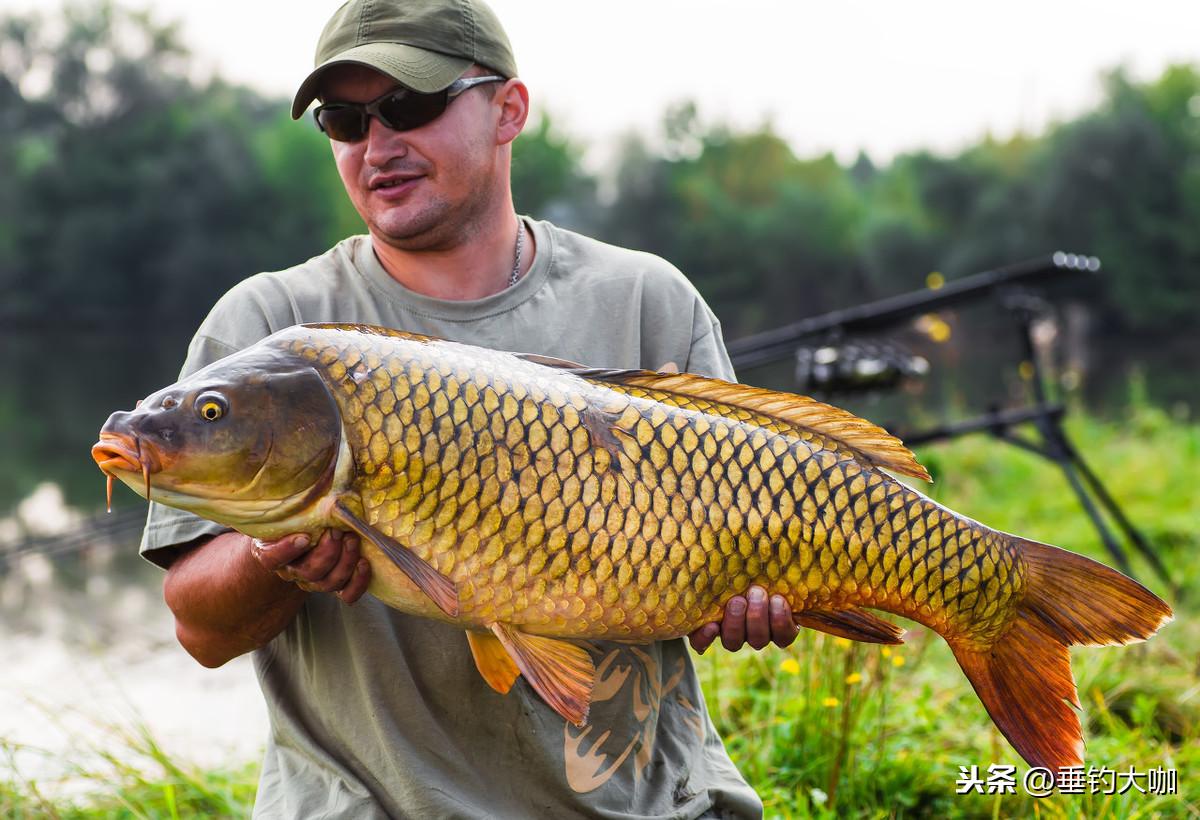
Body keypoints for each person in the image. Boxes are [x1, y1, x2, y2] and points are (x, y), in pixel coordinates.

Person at [143, 1, 797, 816]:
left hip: (648, 802)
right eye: (344, 120)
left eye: (410, 105)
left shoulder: (646, 299)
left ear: (508, 110)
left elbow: (743, 541)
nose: (378, 145)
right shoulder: (270, 330)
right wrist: (269, 556)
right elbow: (201, 632)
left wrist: (749, 597)